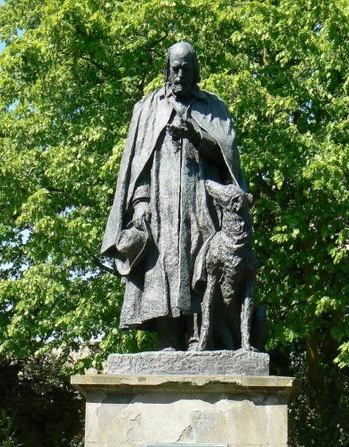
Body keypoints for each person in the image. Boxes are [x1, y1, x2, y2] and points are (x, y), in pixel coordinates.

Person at [101, 41, 246, 350]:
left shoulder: (213, 107)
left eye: (186, 68)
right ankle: (168, 338)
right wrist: (140, 203)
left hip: (203, 202)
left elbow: (227, 157)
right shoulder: (148, 108)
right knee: (162, 264)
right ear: (166, 70)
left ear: (196, 72)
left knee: (202, 261)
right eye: (175, 68)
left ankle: (200, 336)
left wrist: (197, 135)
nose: (180, 74)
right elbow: (139, 163)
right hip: (161, 205)